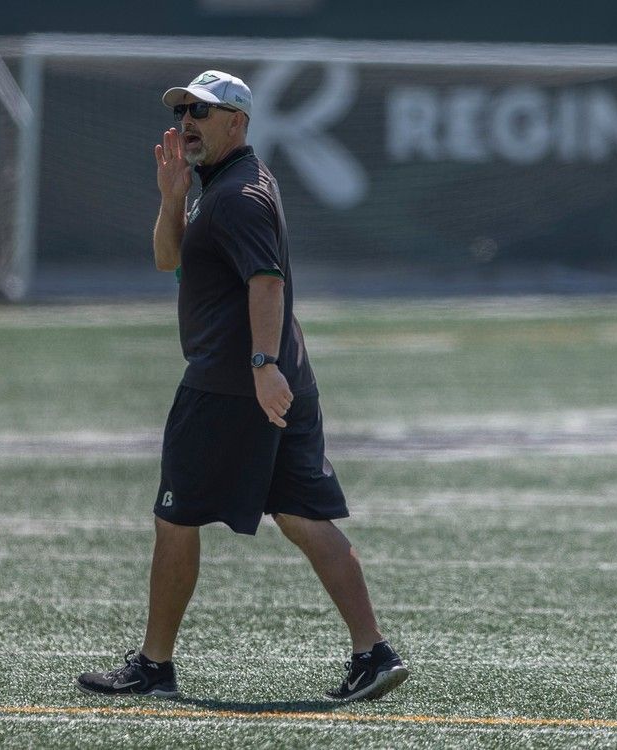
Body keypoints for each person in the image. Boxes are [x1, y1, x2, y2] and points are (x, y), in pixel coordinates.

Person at [77, 70, 408, 702]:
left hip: (234, 383)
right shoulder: (217, 185)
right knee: (303, 515)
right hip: (279, 375)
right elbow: (166, 259)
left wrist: (261, 364)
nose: (188, 123)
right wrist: (171, 197)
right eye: (183, 113)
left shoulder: (238, 196)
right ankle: (374, 652)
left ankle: (154, 665)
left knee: (175, 519)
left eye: (203, 112)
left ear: (239, 123)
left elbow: (267, 282)